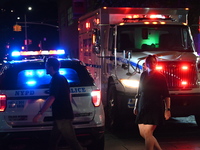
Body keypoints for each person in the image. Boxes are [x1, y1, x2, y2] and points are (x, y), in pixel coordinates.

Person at [33, 57, 83, 150]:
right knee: (53, 142)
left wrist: (39, 114)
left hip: (62, 116)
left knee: (72, 142)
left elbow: (52, 97)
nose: (45, 68)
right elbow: (68, 95)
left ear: (51, 67)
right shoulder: (61, 78)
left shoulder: (56, 80)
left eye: (46, 66)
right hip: (61, 116)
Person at [134, 55, 171, 150]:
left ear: (156, 63)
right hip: (143, 106)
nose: (152, 64)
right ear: (146, 64)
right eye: (149, 62)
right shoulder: (143, 75)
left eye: (154, 62)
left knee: (148, 133)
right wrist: (136, 106)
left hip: (155, 106)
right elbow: (139, 91)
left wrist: (167, 109)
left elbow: (166, 95)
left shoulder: (160, 77)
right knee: (143, 133)